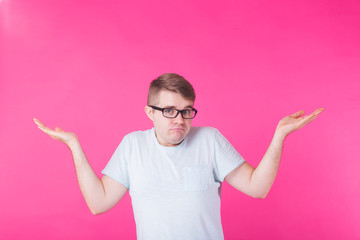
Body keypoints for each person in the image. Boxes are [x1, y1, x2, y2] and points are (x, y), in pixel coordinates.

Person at [33, 73, 324, 240]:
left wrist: (279, 136)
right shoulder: (132, 145)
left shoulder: (209, 140)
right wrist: (74, 146)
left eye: (186, 110)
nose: (180, 119)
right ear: (150, 112)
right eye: (169, 110)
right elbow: (98, 203)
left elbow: (257, 188)